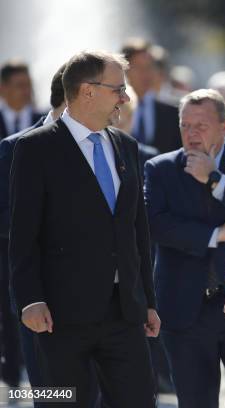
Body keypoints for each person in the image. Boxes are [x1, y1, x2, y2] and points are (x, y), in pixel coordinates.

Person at [9, 50, 160, 408]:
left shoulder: (126, 145)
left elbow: (137, 232)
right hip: (59, 317)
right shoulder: (34, 148)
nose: (125, 97)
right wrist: (30, 300)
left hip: (124, 314)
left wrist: (148, 303)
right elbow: (23, 234)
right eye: (118, 89)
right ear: (87, 91)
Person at [144, 89, 225, 408]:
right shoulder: (160, 168)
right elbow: (156, 226)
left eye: (201, 126)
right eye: (186, 126)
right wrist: (216, 234)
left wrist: (214, 179)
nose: (191, 133)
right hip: (186, 312)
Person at [0, 63, 67, 394]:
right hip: (17, 256)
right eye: (17, 85)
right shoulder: (12, 146)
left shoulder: (107, 143)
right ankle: (13, 379)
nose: (25, 91)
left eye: (29, 84)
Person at [121, 38, 181, 153]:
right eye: (138, 67)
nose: (146, 73)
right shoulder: (113, 111)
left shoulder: (173, 111)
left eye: (149, 67)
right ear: (125, 70)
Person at [0, 60, 45, 140]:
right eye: (20, 85)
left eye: (28, 84)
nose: (27, 90)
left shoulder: (44, 120)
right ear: (3, 88)